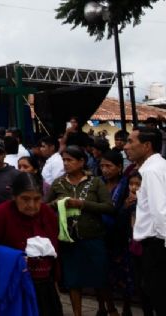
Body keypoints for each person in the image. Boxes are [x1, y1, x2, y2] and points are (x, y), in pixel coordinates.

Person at [0, 173, 62, 316]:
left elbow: (55, 250)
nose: (32, 205)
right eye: (25, 199)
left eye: (37, 199)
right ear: (14, 197)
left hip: (44, 286)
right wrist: (15, 259)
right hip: (13, 286)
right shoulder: (1, 214)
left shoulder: (47, 213)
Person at [45, 145, 114, 316]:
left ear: (81, 161)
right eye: (64, 160)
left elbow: (109, 207)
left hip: (93, 237)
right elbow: (45, 208)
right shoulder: (58, 183)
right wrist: (59, 203)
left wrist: (83, 204)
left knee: (100, 277)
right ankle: (77, 313)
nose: (66, 164)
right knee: (73, 280)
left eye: (70, 160)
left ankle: (107, 309)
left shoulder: (95, 182)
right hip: (69, 240)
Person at [124, 127, 166, 314]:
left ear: (147, 146)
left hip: (158, 245)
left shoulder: (151, 171)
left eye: (131, 142)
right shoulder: (157, 166)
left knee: (158, 296)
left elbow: (160, 212)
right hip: (156, 243)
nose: (126, 147)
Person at [99, 150, 134, 316]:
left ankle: (127, 308)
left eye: (109, 166)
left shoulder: (127, 184)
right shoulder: (98, 183)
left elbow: (128, 210)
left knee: (124, 275)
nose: (105, 170)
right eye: (102, 166)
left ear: (119, 167)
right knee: (103, 275)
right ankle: (108, 307)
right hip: (101, 236)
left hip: (120, 237)